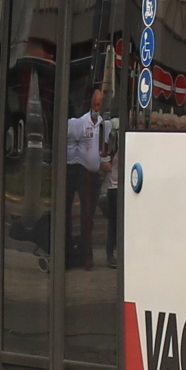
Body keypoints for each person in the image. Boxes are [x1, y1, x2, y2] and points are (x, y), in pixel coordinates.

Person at [65, 82, 104, 269]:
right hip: (73, 169)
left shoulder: (104, 125)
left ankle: (86, 254)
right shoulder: (77, 123)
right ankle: (66, 252)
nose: (98, 108)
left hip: (90, 174)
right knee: (66, 212)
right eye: (96, 104)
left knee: (87, 215)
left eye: (100, 105)